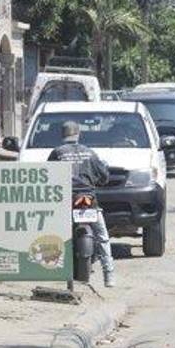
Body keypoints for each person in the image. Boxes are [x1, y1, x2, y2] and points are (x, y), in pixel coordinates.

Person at [48, 121, 116, 288]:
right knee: (103, 236)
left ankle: (52, 265)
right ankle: (109, 275)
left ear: (63, 135)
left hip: (66, 199)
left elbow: (47, 175)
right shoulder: (90, 153)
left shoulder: (57, 153)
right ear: (78, 134)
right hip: (88, 198)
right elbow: (104, 176)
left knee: (54, 230)